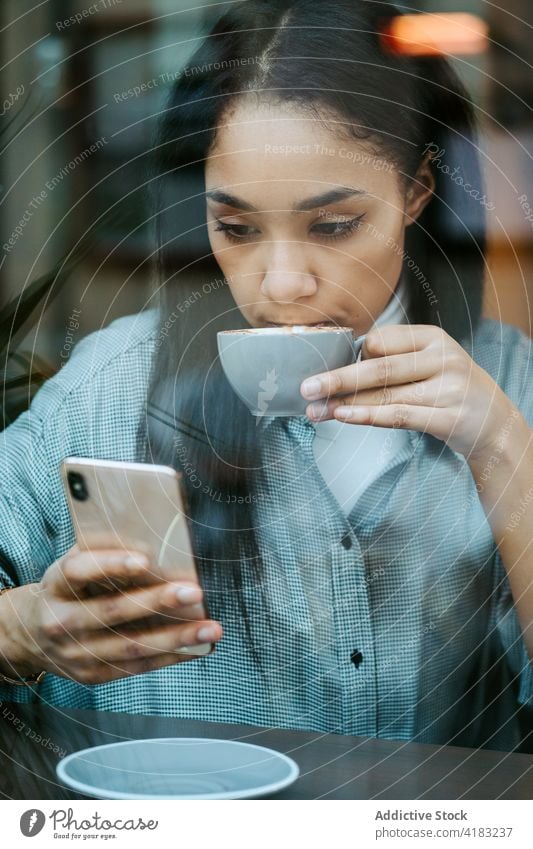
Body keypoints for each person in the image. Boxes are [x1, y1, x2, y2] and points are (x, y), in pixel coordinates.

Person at [0, 0, 532, 752]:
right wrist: (27, 628)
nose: (280, 284)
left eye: (333, 225)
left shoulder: (512, 386)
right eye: (237, 228)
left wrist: (502, 451)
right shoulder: (112, 385)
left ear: (416, 189)